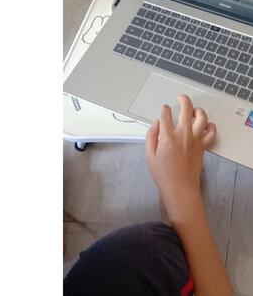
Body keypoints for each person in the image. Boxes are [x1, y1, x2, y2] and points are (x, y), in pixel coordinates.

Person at [64, 95, 236, 296]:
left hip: (157, 257)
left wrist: (172, 186)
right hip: (160, 264)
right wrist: (182, 190)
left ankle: (174, 219)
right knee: (152, 252)